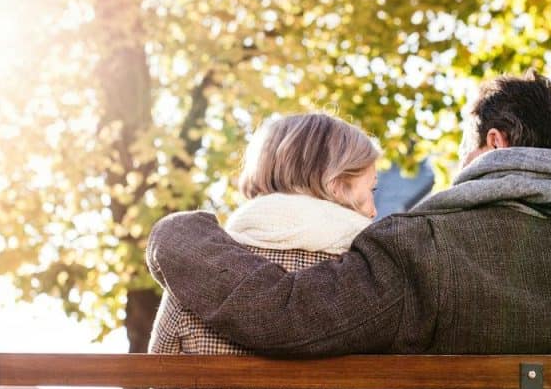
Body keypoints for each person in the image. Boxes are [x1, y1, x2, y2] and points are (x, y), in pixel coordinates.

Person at [147, 73, 551, 357]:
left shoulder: (421, 249)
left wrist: (182, 234)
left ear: (493, 144)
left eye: (462, 149)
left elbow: (285, 315)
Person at [148, 112, 379, 356]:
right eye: (372, 188)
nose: (374, 211)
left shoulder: (196, 273)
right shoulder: (375, 280)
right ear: (337, 186)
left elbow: (161, 378)